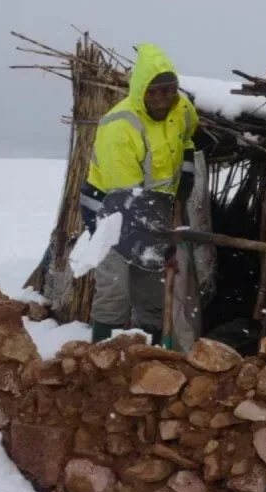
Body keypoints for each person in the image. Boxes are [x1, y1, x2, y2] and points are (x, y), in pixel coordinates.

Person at [78, 43, 199, 344]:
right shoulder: (121, 126)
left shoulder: (182, 109)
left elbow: (187, 137)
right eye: (154, 91)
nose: (163, 98)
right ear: (140, 91)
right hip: (110, 210)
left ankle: (151, 355)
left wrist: (186, 164)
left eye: (169, 89)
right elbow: (127, 197)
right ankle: (102, 353)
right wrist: (164, 239)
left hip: (155, 208)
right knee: (115, 287)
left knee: (152, 290)